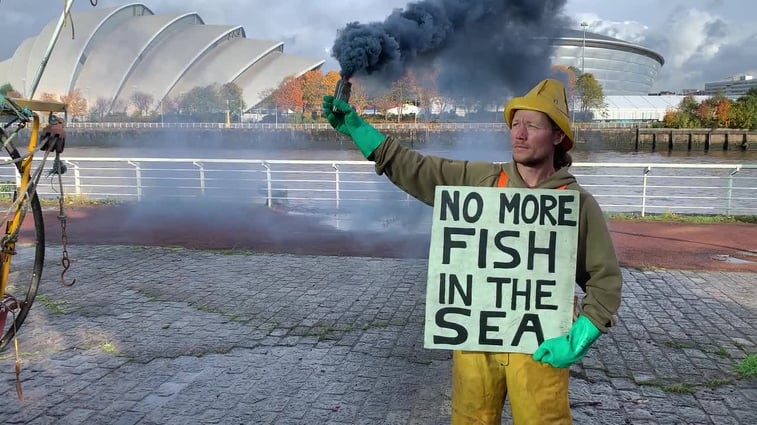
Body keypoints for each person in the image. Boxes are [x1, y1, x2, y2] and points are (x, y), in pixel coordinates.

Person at [322, 78, 622, 425]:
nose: (519, 134)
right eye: (515, 124)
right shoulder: (483, 182)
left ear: (557, 136)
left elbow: (605, 279)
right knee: (469, 420)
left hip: (540, 342)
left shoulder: (577, 204)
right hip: (475, 338)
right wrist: (361, 132)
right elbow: (419, 170)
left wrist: (578, 338)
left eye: (532, 125)